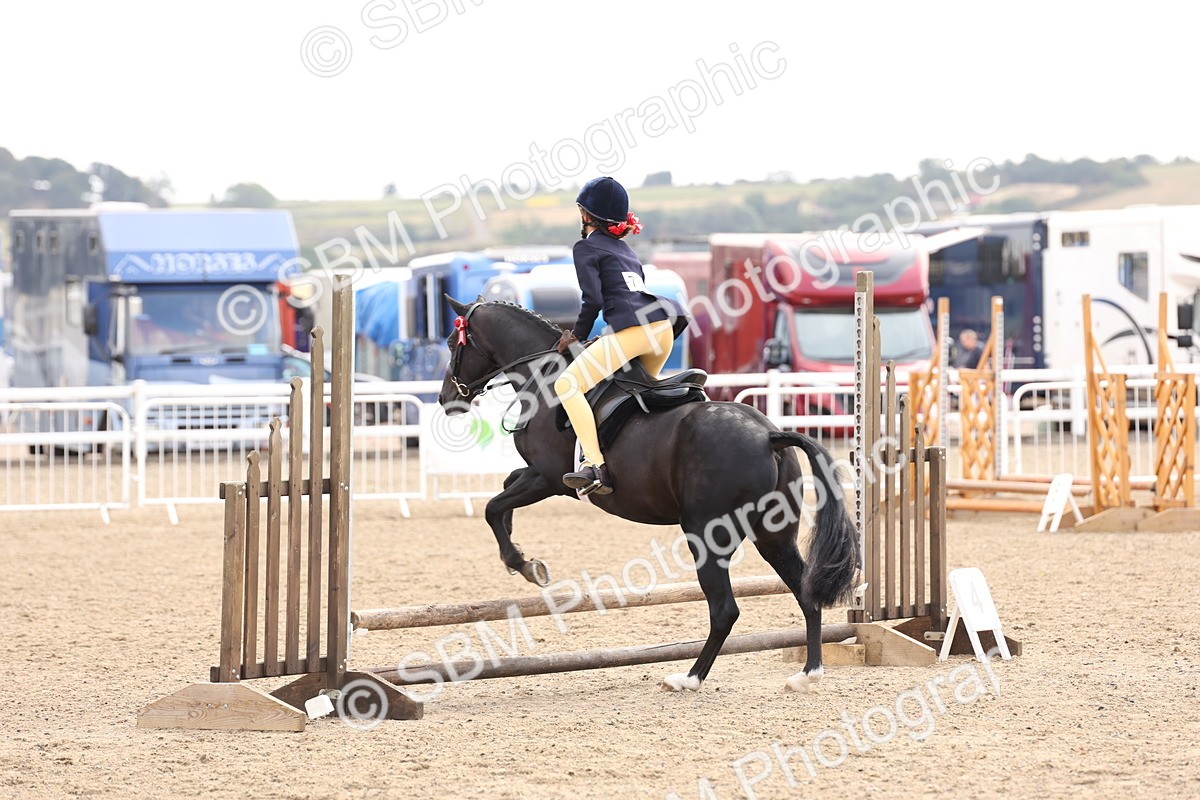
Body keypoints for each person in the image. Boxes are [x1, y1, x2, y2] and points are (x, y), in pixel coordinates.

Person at [553, 176, 678, 496]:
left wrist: (576, 336)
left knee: (566, 385)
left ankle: (594, 465)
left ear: (584, 215)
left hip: (634, 332)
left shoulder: (585, 246)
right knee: (630, 392)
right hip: (663, 328)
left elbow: (592, 299)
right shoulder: (626, 250)